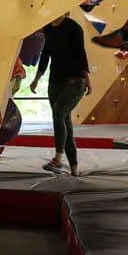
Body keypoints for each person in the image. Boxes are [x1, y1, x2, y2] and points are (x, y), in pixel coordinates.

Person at [30, 13, 90, 176]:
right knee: (66, 123)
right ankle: (74, 168)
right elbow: (45, 55)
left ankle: (57, 159)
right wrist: (36, 79)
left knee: (59, 113)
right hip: (55, 80)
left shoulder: (73, 27)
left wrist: (87, 80)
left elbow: (80, 53)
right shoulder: (48, 28)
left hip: (74, 80)